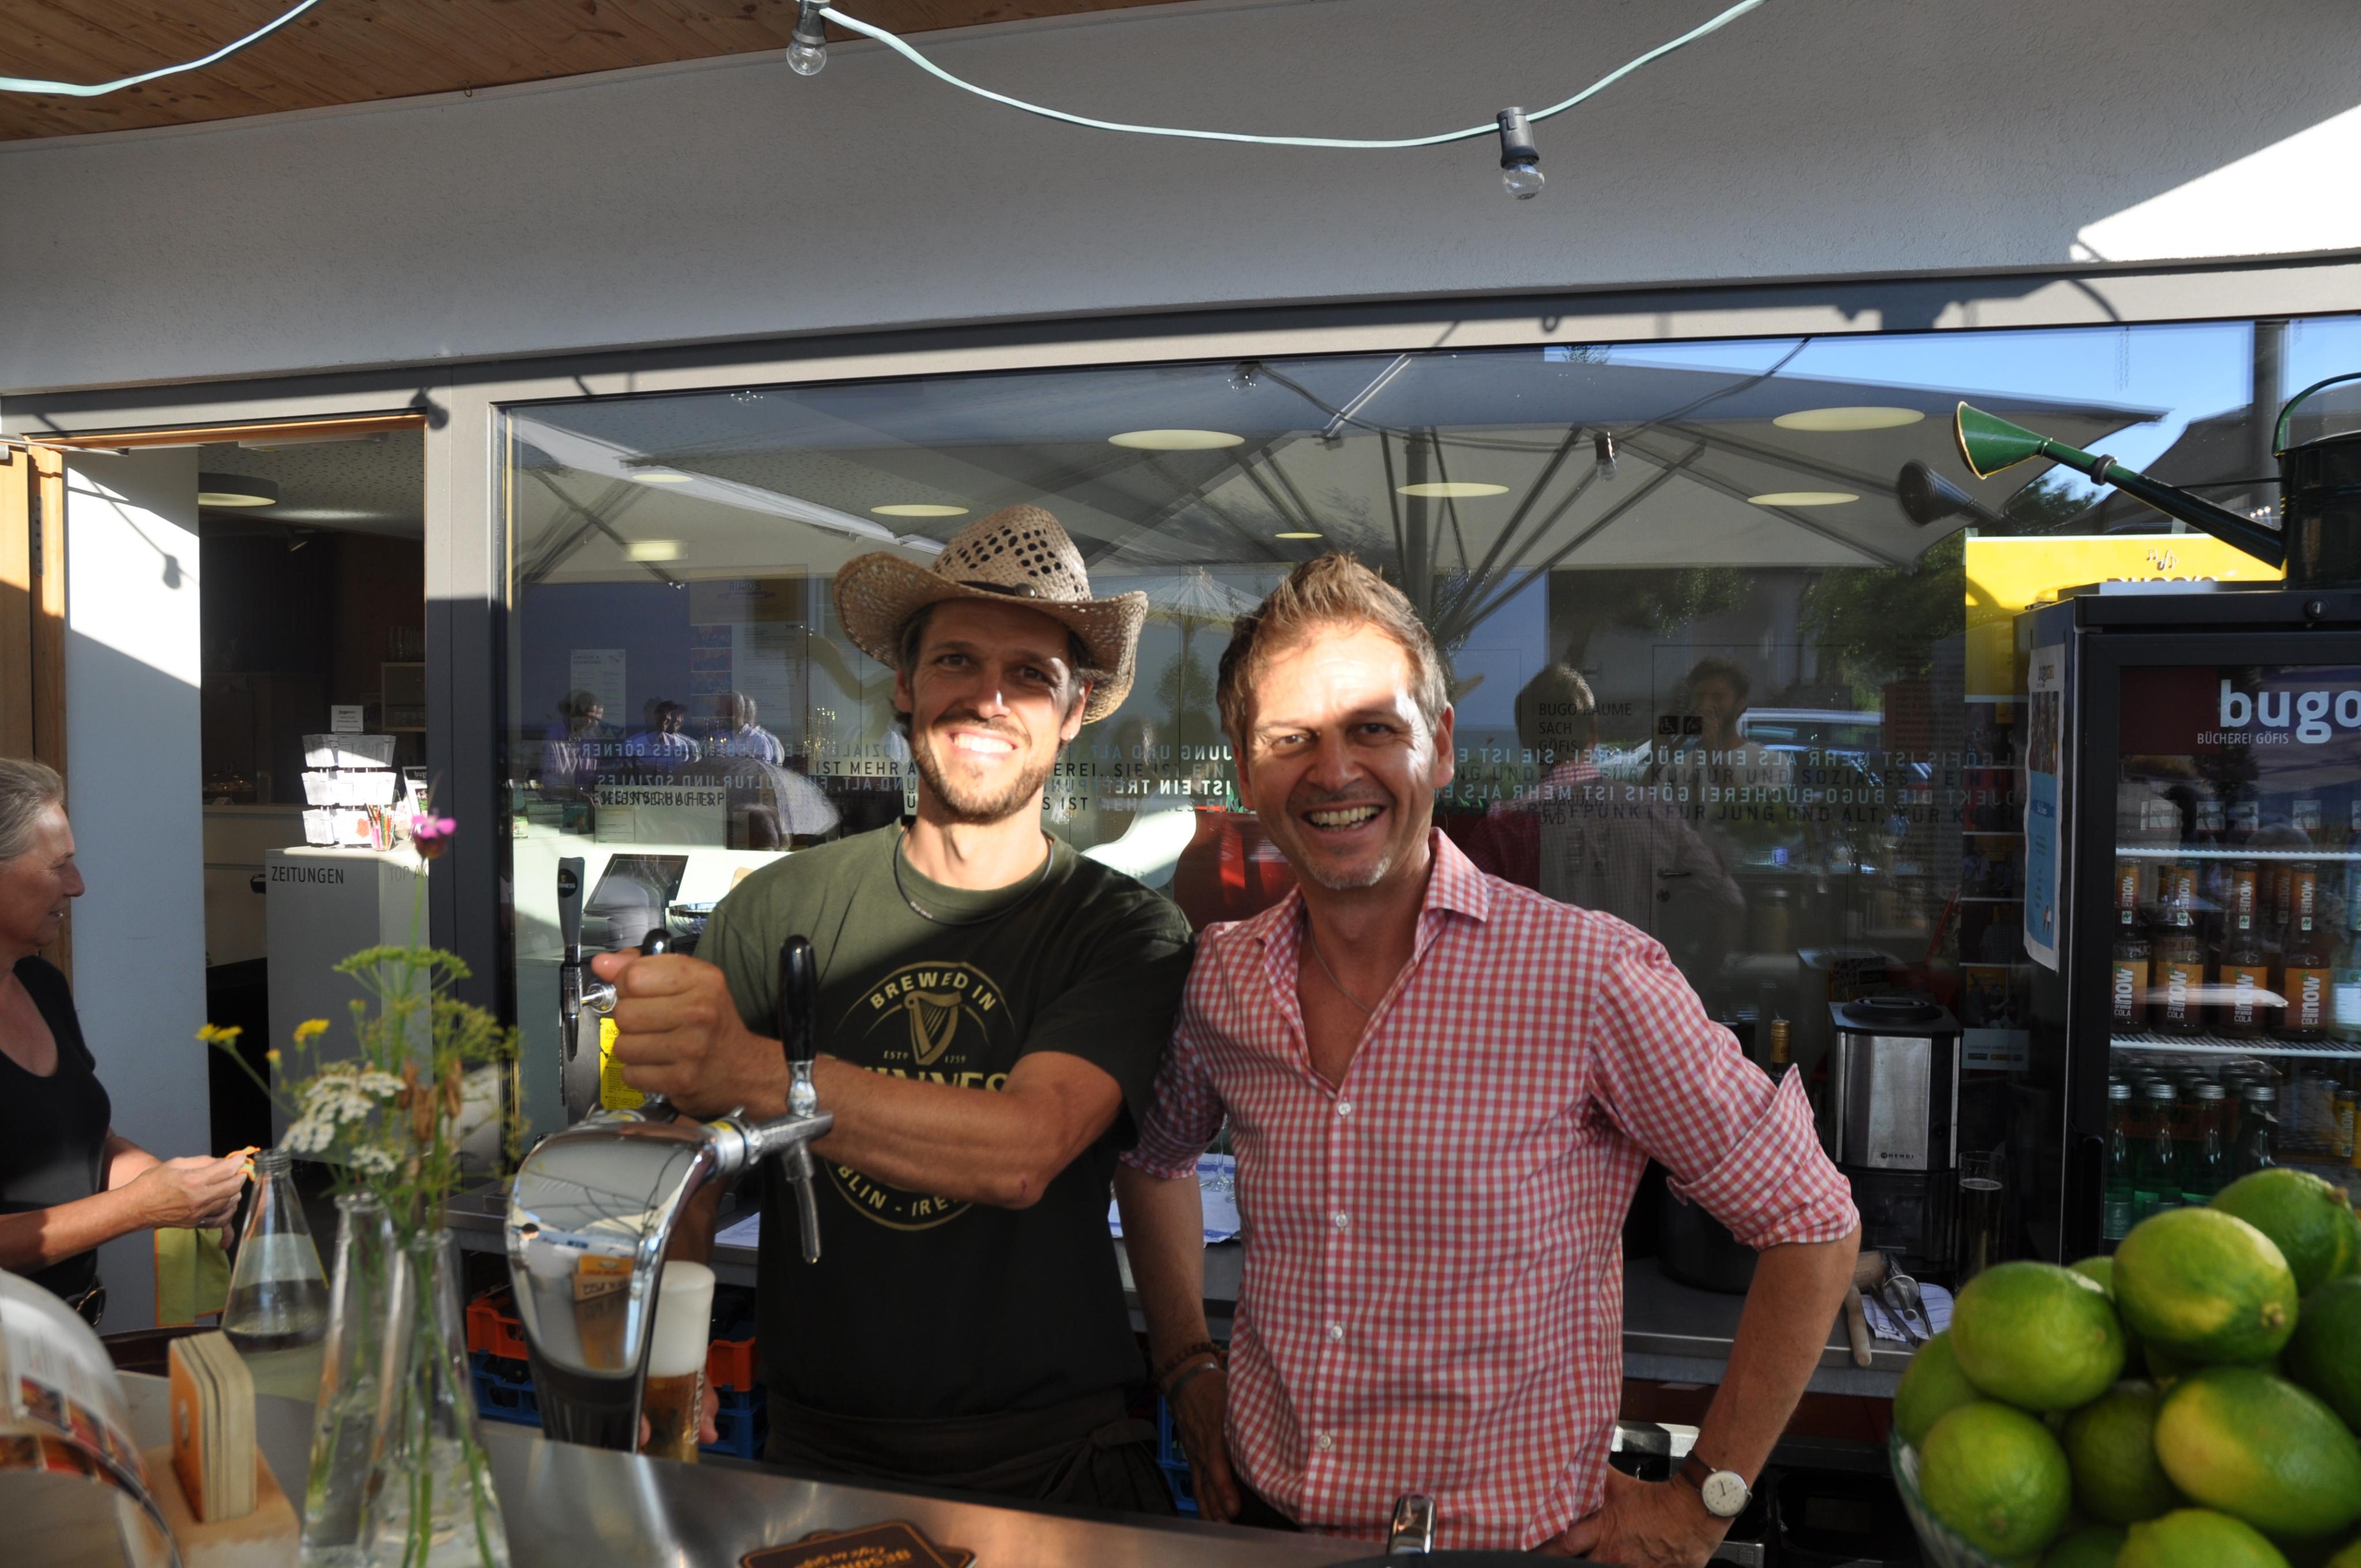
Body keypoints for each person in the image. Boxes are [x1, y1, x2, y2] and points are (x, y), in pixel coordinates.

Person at [1114, 557, 1860, 1559]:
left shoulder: (1588, 976)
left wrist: (1702, 1500)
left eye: (1373, 729)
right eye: (1292, 740)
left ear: (1441, 747)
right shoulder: (1224, 978)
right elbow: (1154, 1157)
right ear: (1247, 775)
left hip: (1506, 1550)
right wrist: (1185, 1365)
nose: (1333, 772)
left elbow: (1812, 1222)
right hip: (1264, 1529)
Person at [591, 507, 1193, 1510]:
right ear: (906, 685)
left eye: (1030, 675)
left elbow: (1023, 1150)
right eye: (957, 660)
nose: (988, 699)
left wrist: (756, 1073)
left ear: (1074, 710)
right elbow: (684, 1162)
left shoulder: (1122, 929)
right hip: (812, 1457)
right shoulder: (777, 907)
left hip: (1053, 1460)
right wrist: (670, 1344)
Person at [0, 760, 248, 1328]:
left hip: (68, 1332)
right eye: (57, 866)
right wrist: (139, 1206)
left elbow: (90, 1141)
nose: (77, 885)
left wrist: (178, 1188)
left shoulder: (41, 984)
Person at [1459, 664, 1743, 978]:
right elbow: (1728, 902)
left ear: (1525, 740)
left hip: (1544, 1001)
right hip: (1639, 1001)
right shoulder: (1656, 813)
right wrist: (1691, 987)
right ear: (1594, 731)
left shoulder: (1502, 826)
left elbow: (1462, 922)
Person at [707, 692, 787, 767]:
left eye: (722, 710)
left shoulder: (759, 741)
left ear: (738, 710)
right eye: (718, 711)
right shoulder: (720, 739)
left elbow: (767, 772)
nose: (718, 716)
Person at [620, 699, 701, 767]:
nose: (677, 719)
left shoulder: (686, 745)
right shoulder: (631, 745)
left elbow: (693, 774)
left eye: (680, 715)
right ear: (647, 715)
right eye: (660, 713)